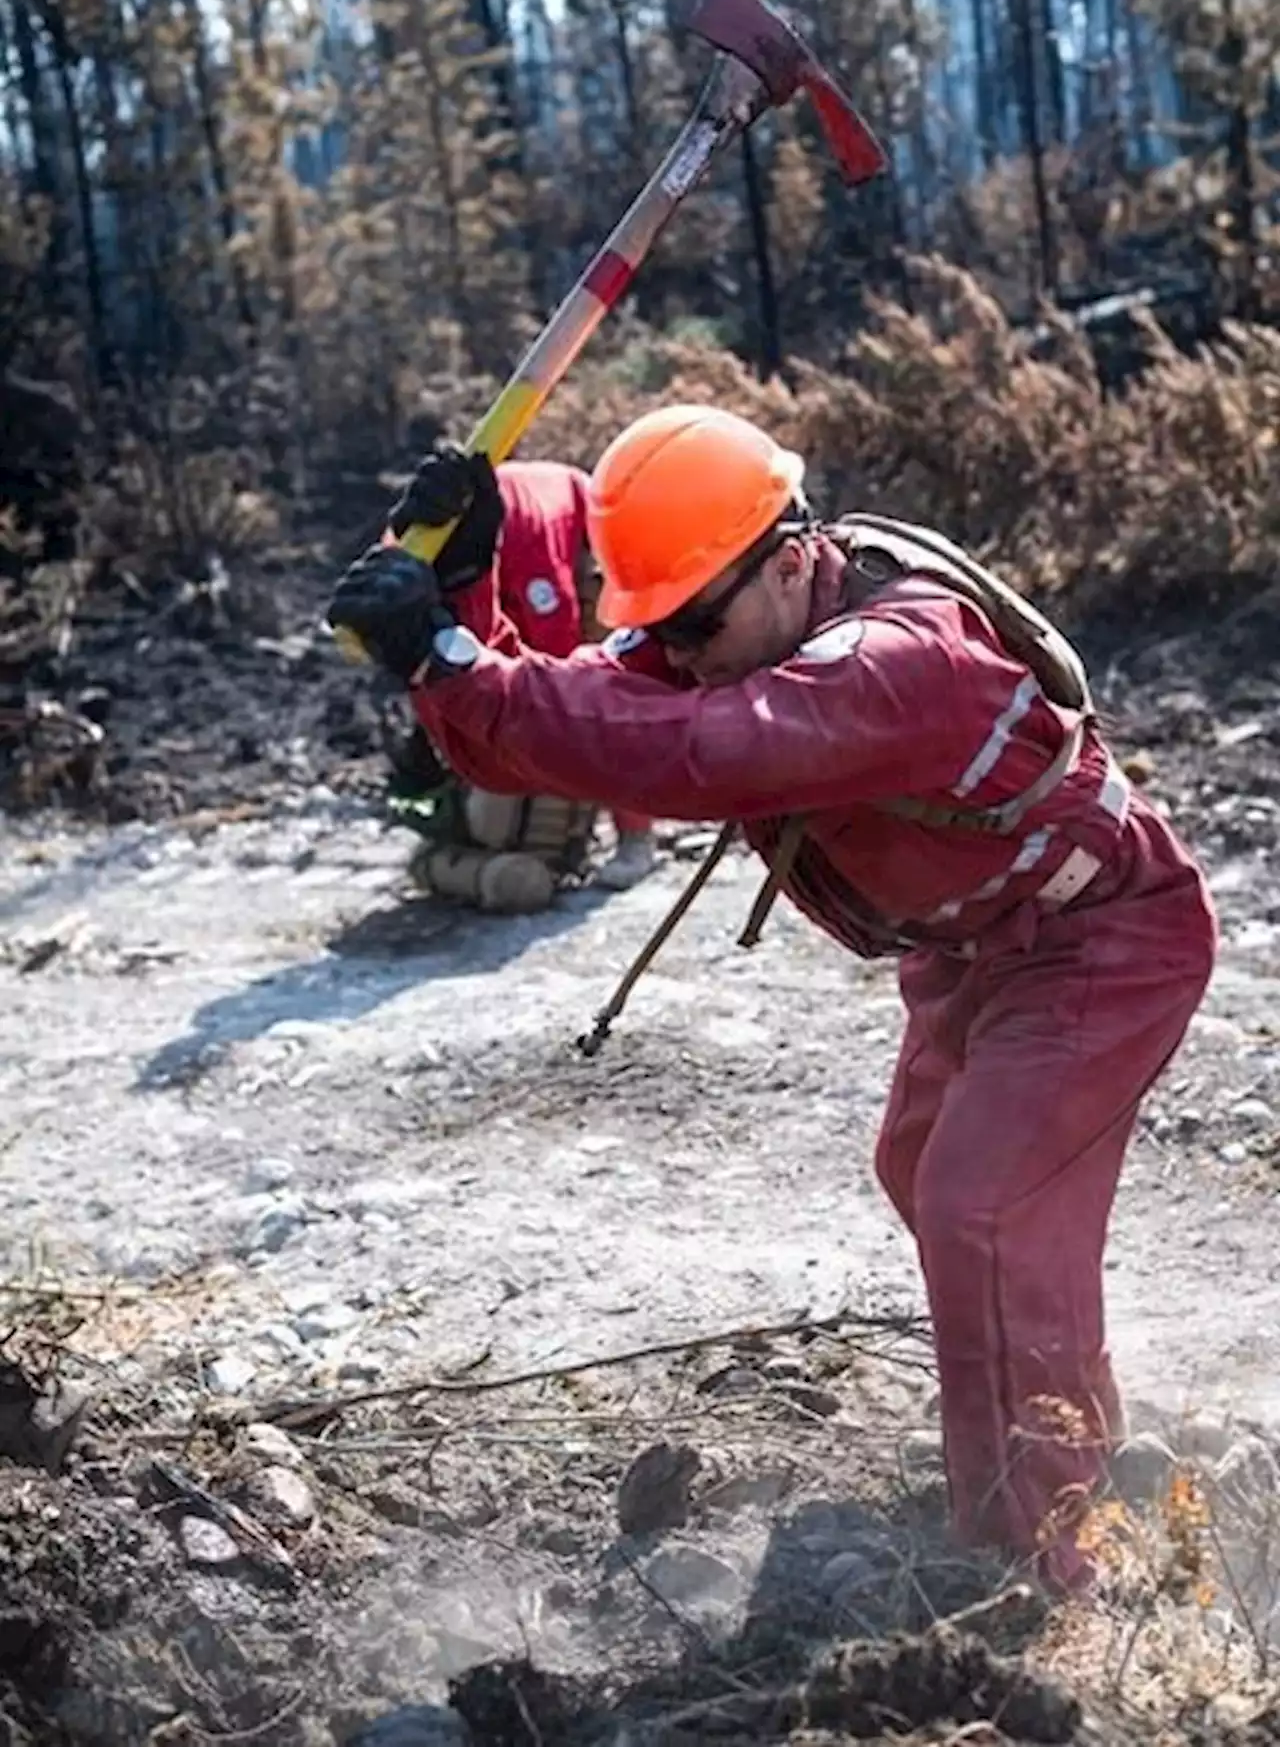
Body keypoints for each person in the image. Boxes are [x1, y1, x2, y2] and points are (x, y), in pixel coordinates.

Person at [327, 403, 1217, 1591]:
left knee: (979, 1205)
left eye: (694, 623)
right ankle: (1076, 1434)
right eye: (661, 628)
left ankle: (1041, 1565)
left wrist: (448, 660)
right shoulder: (737, 617)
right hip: (979, 946)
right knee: (924, 1170)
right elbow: (560, 731)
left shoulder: (898, 662)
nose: (679, 652)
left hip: (1099, 937)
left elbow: (698, 755)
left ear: (792, 555)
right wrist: (467, 607)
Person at [391, 456, 658, 910]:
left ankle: (636, 837)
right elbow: (431, 675)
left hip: (567, 531)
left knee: (594, 690)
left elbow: (560, 675)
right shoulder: (403, 561)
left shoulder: (529, 539)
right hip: (495, 559)